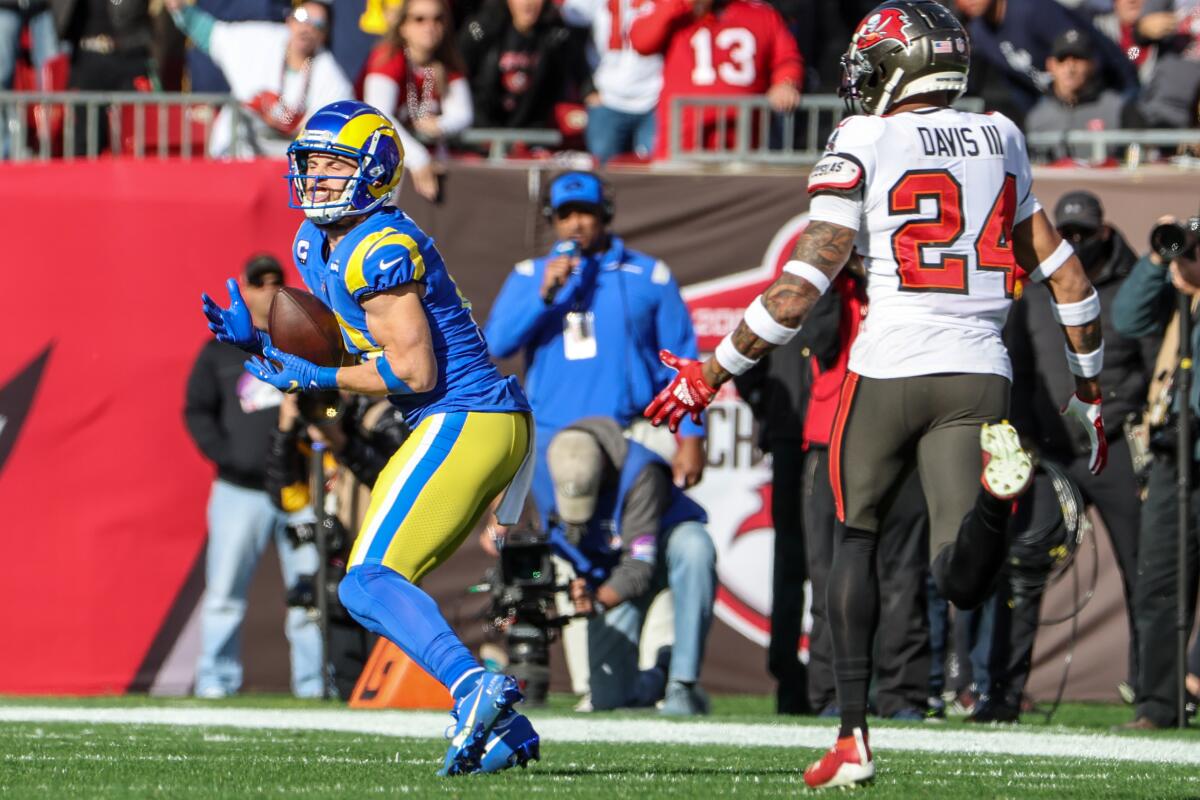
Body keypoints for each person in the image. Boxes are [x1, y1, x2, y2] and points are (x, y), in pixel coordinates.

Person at [643, 1, 1107, 787]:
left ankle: (852, 736)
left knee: (851, 538)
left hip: (889, 365)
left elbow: (799, 290)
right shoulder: (1002, 134)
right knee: (959, 577)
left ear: (903, 65)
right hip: (979, 373)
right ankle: (1000, 503)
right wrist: (1090, 395)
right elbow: (1068, 279)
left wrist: (708, 371)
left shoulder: (862, 137)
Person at [200, 100, 537, 776]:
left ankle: (475, 688)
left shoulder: (380, 244)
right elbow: (348, 341)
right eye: (311, 164)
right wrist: (264, 344)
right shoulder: (311, 242)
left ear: (376, 173)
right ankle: (509, 732)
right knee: (384, 580)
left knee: (366, 582)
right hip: (468, 419)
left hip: (464, 415)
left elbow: (413, 367)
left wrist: (313, 375)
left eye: (334, 165)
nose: (317, 178)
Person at [734, 266, 932, 720]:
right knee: (826, 575)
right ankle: (828, 695)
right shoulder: (821, 284)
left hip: (901, 431)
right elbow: (819, 342)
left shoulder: (908, 277)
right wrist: (834, 274)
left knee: (902, 574)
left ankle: (904, 695)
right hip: (827, 436)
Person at [1005, 189, 1157, 715]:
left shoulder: (1133, 287)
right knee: (1025, 567)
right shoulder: (1032, 290)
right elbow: (1019, 373)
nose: (1072, 243)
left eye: (1083, 235)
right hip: (1052, 456)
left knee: (1145, 571)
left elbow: (1152, 365)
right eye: (1064, 234)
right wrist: (1024, 439)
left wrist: (1133, 420)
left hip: (1112, 447)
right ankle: (1002, 693)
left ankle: (1151, 693)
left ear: (1105, 234)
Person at [485, 170, 707, 520]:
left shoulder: (649, 276)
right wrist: (543, 296)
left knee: (647, 545)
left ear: (604, 214)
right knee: (564, 550)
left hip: (632, 433)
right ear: (552, 219)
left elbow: (681, 362)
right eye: (565, 214)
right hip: (550, 439)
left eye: (585, 212)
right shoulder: (531, 275)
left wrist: (692, 436)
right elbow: (498, 344)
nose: (575, 224)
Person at [185, 254, 325, 699]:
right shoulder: (220, 351)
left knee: (310, 592)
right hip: (239, 490)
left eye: (275, 281)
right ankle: (215, 682)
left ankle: (314, 685)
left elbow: (329, 405)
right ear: (242, 289)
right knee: (224, 592)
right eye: (258, 282)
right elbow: (197, 411)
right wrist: (231, 457)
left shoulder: (302, 342)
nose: (267, 289)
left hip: (297, 489)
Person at [546, 417, 716, 715]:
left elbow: (639, 566)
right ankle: (661, 675)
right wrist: (565, 584)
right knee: (607, 698)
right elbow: (543, 553)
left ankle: (683, 683)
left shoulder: (641, 471)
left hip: (657, 553)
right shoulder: (540, 473)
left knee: (695, 547)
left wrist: (596, 602)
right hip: (610, 570)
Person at [1112, 212, 1200, 730]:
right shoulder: (1178, 293)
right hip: (1175, 454)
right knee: (1160, 581)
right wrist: (1156, 260)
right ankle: (1159, 704)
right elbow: (1126, 318)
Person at [264, 390, 411, 699]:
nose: (328, 395)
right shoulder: (310, 421)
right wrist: (286, 429)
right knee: (346, 672)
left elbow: (393, 480)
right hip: (337, 560)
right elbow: (285, 496)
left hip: (382, 557)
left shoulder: (384, 415)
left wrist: (342, 441)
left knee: (383, 673)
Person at [164, 0, 353, 158]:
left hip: (285, 171)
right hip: (233, 156)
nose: (307, 28)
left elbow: (333, 135)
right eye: (303, 17)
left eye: (318, 24)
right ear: (290, 19)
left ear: (325, 34)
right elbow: (209, 33)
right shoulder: (259, 40)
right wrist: (179, 8)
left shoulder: (331, 77)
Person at [628, 0, 803, 160]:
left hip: (743, 140)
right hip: (683, 140)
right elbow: (641, 41)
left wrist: (785, 83)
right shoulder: (677, 11)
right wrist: (678, 4)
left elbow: (787, 59)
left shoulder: (760, 13)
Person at [954, 0, 1138, 124]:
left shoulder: (1032, 9)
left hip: (1113, 90)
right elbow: (1016, 84)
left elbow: (1086, 53)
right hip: (1059, 109)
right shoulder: (979, 32)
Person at [360, 0, 473, 201]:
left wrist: (440, 125)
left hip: (427, 169)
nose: (430, 27)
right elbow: (377, 115)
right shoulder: (387, 57)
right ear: (403, 26)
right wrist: (418, 158)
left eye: (438, 19)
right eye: (419, 19)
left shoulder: (447, 62)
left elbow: (463, 114)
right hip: (379, 169)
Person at [459, 0, 594, 131]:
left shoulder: (555, 33)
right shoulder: (482, 28)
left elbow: (578, 66)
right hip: (483, 129)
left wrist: (589, 92)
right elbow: (458, 61)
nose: (528, 3)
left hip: (531, 131)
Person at [559, 0, 664, 163]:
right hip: (607, 97)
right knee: (606, 175)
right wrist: (586, 87)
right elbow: (569, 37)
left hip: (655, 97)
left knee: (656, 177)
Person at [1024, 30, 1136, 162]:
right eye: (1062, 59)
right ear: (1051, 65)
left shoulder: (1119, 109)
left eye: (1078, 59)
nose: (1070, 68)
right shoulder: (1036, 118)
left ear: (1092, 64)